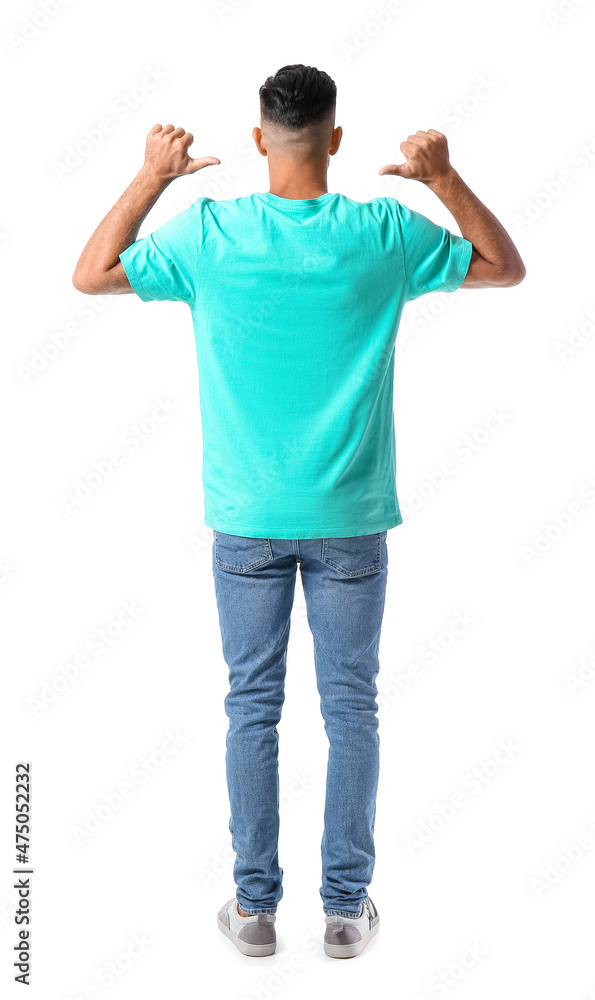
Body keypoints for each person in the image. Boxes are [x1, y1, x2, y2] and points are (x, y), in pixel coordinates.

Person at [72, 63, 525, 960]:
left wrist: (151, 176)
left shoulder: (208, 234)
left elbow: (91, 276)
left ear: (255, 140)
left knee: (252, 707)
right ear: (337, 138)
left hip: (246, 520)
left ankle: (252, 912)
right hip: (351, 519)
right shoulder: (384, 231)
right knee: (350, 708)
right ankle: (346, 914)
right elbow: (502, 268)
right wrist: (443, 178)